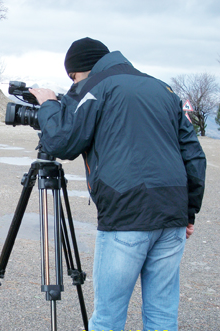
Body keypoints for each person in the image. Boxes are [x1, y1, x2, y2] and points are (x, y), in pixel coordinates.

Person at [30, 37, 206, 331]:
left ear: (81, 69)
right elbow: (193, 155)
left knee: (109, 319)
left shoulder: (94, 87)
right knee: (162, 316)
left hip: (126, 214)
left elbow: (62, 142)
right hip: (172, 215)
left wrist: (48, 104)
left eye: (73, 78)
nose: (74, 84)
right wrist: (188, 213)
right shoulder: (163, 89)